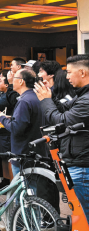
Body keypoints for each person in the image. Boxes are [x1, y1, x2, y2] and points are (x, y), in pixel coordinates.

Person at [35, 54, 89, 221]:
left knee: (84, 215)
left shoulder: (86, 100)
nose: (66, 77)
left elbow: (61, 121)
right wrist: (49, 96)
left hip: (82, 166)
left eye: (70, 72)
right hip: (79, 163)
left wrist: (45, 101)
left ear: (82, 72)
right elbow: (65, 108)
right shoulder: (82, 96)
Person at [0, 69, 47, 176]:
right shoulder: (36, 96)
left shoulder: (24, 101)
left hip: (23, 153)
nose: (11, 81)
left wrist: (1, 118)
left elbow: (16, 128)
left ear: (21, 81)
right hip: (37, 151)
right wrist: (11, 117)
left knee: (25, 189)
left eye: (14, 78)